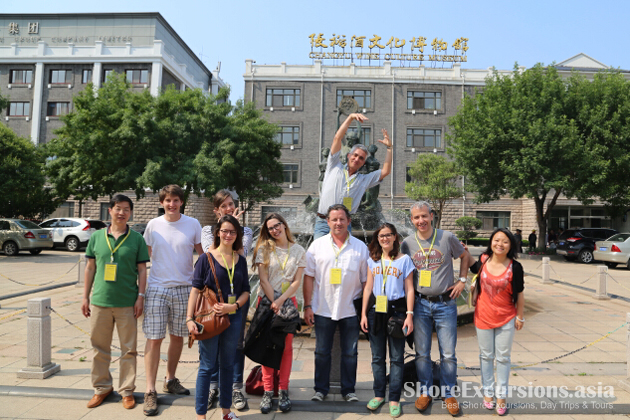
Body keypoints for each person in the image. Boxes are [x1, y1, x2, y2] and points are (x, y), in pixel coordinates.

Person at [400, 201, 472, 416]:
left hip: (445, 303)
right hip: (420, 303)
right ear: (411, 220)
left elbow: (465, 256)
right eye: (416, 217)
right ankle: (425, 391)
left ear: (431, 216)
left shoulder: (447, 237)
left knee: (448, 353)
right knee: (421, 353)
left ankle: (449, 393)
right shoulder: (407, 243)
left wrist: (462, 280)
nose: (420, 221)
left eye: (424, 216)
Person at [82, 194, 149, 410]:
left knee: (128, 349)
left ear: (130, 213)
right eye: (118, 208)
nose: (122, 213)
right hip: (100, 301)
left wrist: (141, 297)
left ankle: (127, 391)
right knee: (99, 348)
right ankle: (101, 388)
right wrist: (85, 297)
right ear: (109, 210)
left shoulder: (137, 239)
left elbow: (141, 270)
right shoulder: (96, 237)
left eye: (126, 209)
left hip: (127, 303)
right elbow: (90, 267)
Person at [142, 185, 203, 416]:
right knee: (154, 339)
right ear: (161, 202)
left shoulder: (192, 224)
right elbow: (144, 257)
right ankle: (150, 390)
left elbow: (202, 255)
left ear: (181, 202)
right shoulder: (153, 225)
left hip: (184, 289)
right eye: (168, 200)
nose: (172, 204)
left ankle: (170, 379)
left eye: (176, 200)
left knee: (178, 337)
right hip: (157, 288)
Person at [187, 215, 251, 420]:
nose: (228, 235)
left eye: (232, 232)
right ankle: (201, 415)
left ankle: (226, 411)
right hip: (210, 319)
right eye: (224, 231)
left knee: (228, 365)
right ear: (218, 233)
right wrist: (189, 319)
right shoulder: (206, 258)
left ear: (237, 235)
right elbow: (195, 290)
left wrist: (234, 306)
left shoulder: (240, 260)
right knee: (207, 366)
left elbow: (246, 291)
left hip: (233, 318)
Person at [303, 204, 369, 402]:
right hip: (323, 307)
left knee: (350, 353)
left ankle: (348, 390)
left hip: (350, 309)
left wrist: (365, 311)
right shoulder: (317, 246)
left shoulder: (360, 247)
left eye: (342, 219)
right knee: (322, 352)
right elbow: (308, 277)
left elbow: (366, 281)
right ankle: (320, 390)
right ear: (328, 222)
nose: (338, 223)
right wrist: (307, 306)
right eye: (334, 219)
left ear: (349, 221)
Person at [201, 189, 253, 410]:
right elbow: (210, 255)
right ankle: (214, 386)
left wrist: (236, 230)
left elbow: (240, 255)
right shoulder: (207, 230)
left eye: (231, 204)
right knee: (213, 336)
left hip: (237, 296)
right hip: (213, 297)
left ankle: (235, 387)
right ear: (216, 210)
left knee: (236, 344)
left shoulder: (246, 230)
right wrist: (222, 231)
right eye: (224, 206)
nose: (229, 208)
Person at [251, 213, 306, 413]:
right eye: (270, 228)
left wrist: (281, 300)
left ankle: (283, 389)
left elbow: (297, 281)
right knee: (267, 345)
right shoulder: (264, 249)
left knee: (286, 348)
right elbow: (263, 279)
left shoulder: (299, 250)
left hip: (288, 302)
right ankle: (268, 390)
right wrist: (274, 300)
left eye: (277, 225)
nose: (275, 230)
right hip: (266, 301)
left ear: (284, 225)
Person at [360, 223, 415, 418]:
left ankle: (394, 398)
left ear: (394, 238)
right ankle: (378, 394)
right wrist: (364, 314)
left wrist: (410, 314)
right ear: (377, 239)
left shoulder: (404, 260)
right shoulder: (373, 261)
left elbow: (409, 289)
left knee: (397, 358)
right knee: (377, 357)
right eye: (381, 236)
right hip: (376, 311)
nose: (385, 239)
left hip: (397, 312)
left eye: (388, 235)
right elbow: (368, 288)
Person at [469, 228, 525, 416]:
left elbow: (520, 294)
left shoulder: (515, 267)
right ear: (491, 242)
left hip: (506, 317)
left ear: (511, 245)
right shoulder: (484, 260)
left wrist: (520, 316)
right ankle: (488, 394)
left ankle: (501, 396)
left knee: (502, 358)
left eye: (505, 241)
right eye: (496, 240)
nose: (499, 244)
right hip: (482, 316)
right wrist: (462, 251)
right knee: (486, 356)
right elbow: (472, 269)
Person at [313, 113, 393, 239]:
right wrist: (350, 118)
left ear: (363, 162)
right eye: (355, 155)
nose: (357, 159)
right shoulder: (334, 166)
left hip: (344, 225)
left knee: (344, 257)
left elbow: (386, 171)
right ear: (349, 156)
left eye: (361, 158)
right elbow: (337, 138)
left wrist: (389, 148)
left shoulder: (363, 179)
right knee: (319, 257)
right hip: (324, 222)